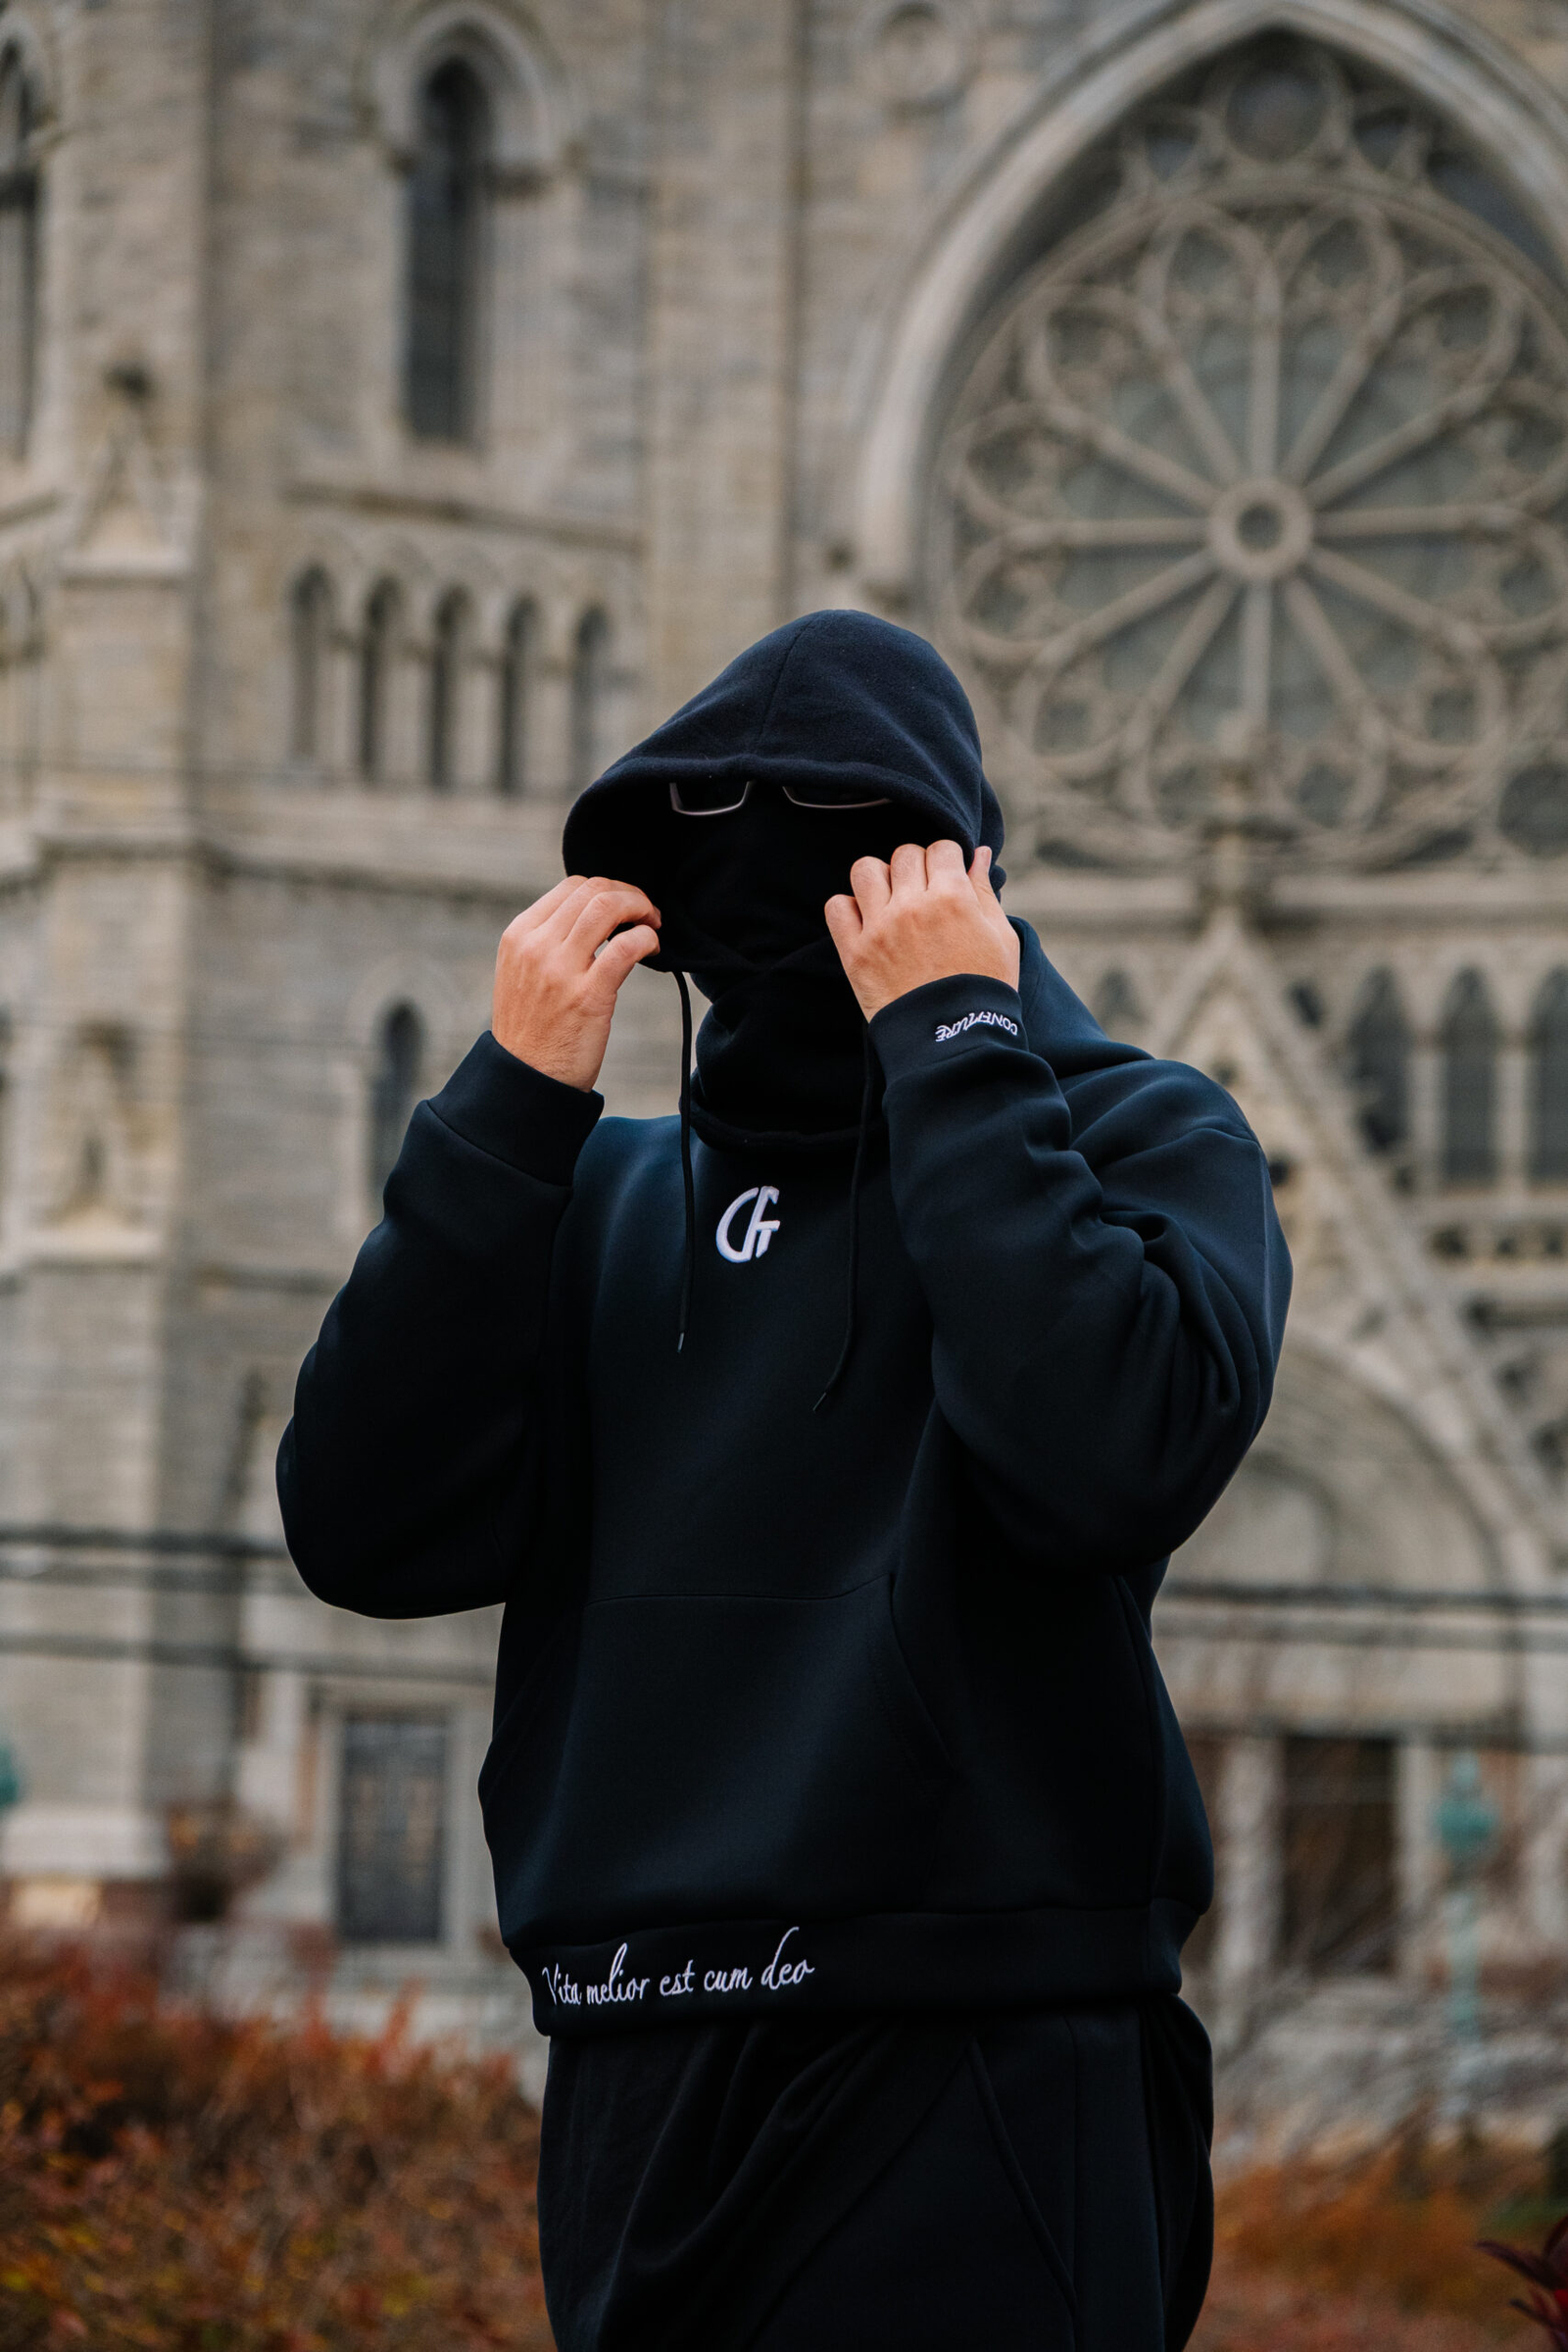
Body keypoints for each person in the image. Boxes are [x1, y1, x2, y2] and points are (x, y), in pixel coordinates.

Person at [278, 610, 1291, 2351]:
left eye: (840, 850)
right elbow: (359, 1526)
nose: (769, 893)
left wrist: (965, 1048)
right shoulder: (592, 1198)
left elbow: (1108, 1455)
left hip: (983, 2058)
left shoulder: (1138, 1135)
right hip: (632, 2060)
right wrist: (505, 1117)